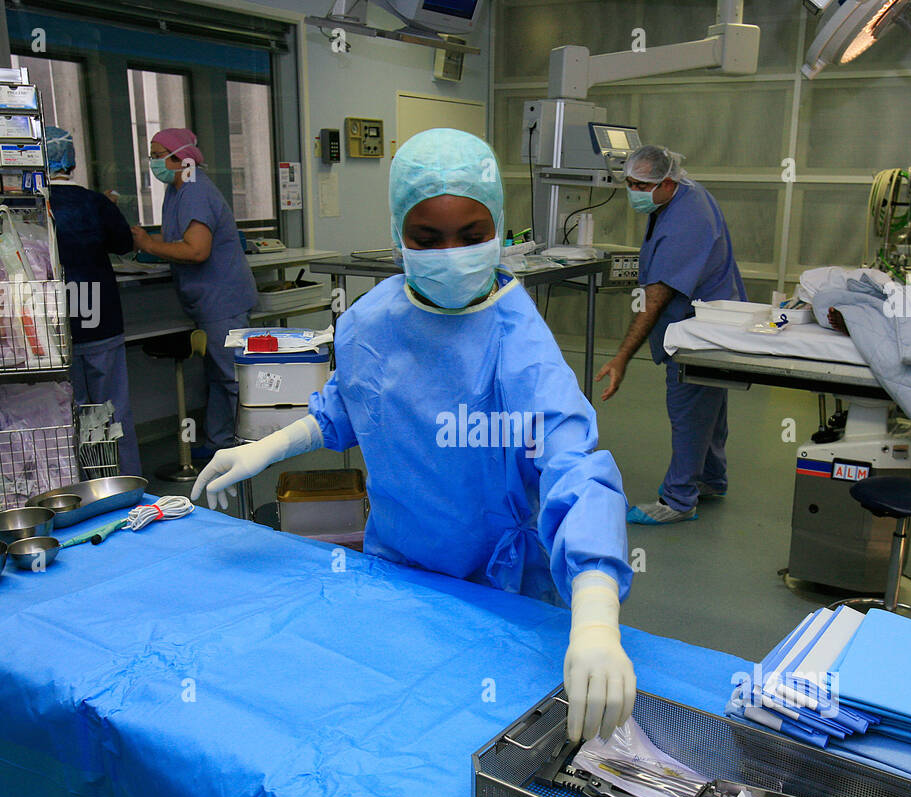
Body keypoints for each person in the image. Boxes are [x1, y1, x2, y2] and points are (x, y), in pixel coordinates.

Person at [191, 129, 634, 741]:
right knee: (390, 734)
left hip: (495, 585)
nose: (451, 255)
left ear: (500, 228)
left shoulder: (517, 342)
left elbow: (574, 465)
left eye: (473, 237)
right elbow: (344, 410)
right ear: (398, 233)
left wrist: (593, 617)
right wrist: (265, 448)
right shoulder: (372, 320)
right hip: (396, 569)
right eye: (427, 240)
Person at [594, 145, 746, 524]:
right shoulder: (686, 194)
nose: (633, 192)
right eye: (628, 183)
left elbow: (656, 297)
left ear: (666, 182)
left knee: (689, 410)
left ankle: (678, 501)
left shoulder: (685, 221)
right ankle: (712, 478)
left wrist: (622, 357)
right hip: (713, 316)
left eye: (640, 185)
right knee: (710, 404)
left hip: (698, 328)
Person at [132, 128, 258, 454]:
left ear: (181, 158)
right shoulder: (177, 190)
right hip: (207, 300)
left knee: (231, 378)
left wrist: (149, 244)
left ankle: (247, 447)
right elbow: (173, 240)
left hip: (222, 298)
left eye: (158, 155)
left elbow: (197, 250)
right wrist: (146, 246)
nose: (152, 162)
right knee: (218, 376)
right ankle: (220, 442)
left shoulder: (195, 190)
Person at [44, 126, 141, 477]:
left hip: (51, 327)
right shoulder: (95, 203)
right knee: (112, 409)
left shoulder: (34, 206)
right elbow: (123, 243)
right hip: (100, 318)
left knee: (63, 413)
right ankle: (125, 485)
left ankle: (76, 488)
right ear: (71, 162)